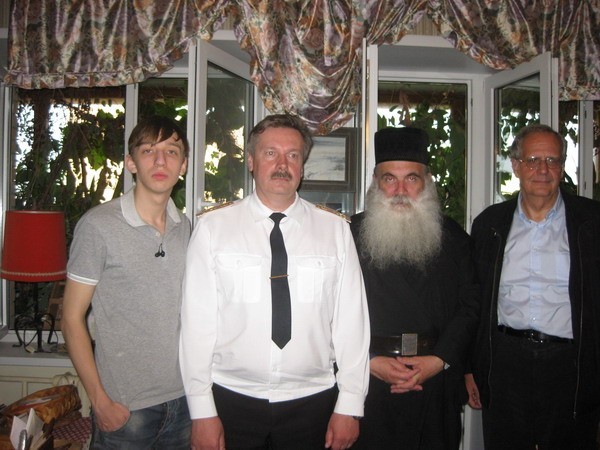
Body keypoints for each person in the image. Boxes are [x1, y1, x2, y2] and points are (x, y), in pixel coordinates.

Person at [179, 114, 370, 450]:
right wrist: (201, 409)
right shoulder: (213, 228)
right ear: (251, 161)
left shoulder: (335, 231)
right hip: (231, 399)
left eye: (292, 155)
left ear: (302, 166)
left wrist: (350, 403)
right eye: (270, 153)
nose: (282, 164)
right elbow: (196, 327)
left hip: (313, 402)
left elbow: (351, 324)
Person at [467, 123, 600, 449]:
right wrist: (470, 368)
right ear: (516, 165)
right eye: (533, 160)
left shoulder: (592, 223)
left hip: (571, 365)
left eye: (552, 160)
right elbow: (474, 301)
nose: (543, 169)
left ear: (562, 166)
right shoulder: (489, 225)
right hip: (504, 362)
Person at [62, 116, 191, 449]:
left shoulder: (186, 228)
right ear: (131, 163)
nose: (160, 161)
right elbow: (71, 318)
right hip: (125, 409)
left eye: (171, 151)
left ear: (184, 165)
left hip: (184, 402)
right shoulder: (98, 226)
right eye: (148, 150)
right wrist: (99, 400)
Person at [350, 127, 480, 449]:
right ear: (375, 182)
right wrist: (369, 361)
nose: (400, 190)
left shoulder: (454, 238)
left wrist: (440, 359)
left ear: (426, 182)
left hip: (435, 382)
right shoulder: (348, 236)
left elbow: (471, 306)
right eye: (389, 179)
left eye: (411, 178)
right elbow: (330, 311)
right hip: (369, 381)